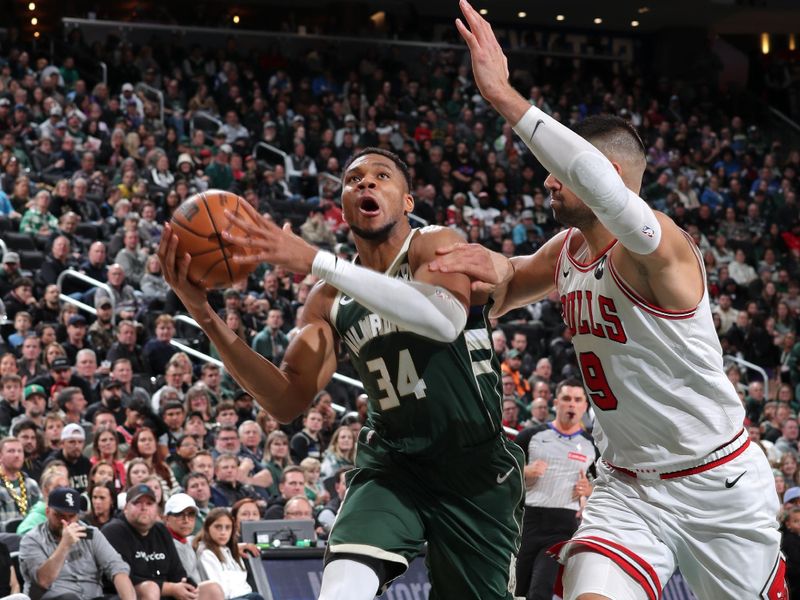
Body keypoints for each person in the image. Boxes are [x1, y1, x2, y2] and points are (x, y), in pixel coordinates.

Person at [427, 3, 785, 598]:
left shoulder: (662, 249)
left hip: (716, 483)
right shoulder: (567, 249)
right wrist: (478, 274)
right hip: (627, 488)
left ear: (605, 176)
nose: (546, 181)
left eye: (559, 173)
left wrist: (505, 97)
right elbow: (510, 282)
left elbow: (613, 201)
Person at [160, 141, 525, 600]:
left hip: (474, 467)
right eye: (354, 180)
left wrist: (316, 261)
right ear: (344, 206)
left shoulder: (435, 244)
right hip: (395, 466)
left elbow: (443, 320)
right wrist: (204, 315)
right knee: (341, 589)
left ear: (407, 202)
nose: (366, 182)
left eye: (381, 176)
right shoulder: (328, 299)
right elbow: (286, 400)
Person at [513, 379, 597, 600]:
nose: (572, 405)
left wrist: (589, 490)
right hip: (528, 520)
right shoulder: (530, 436)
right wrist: (524, 471)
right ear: (556, 402)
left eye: (578, 400)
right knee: (517, 591)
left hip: (563, 525)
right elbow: (501, 474)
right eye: (567, 399)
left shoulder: (591, 445)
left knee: (541, 589)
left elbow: (607, 487)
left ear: (585, 406)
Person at [19, 486, 136, 600]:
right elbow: (43, 581)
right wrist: (65, 545)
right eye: (60, 515)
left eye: (71, 516)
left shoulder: (92, 535)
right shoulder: (32, 540)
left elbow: (117, 568)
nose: (66, 522)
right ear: (48, 511)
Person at [102, 483, 207, 600]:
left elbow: (178, 572)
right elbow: (123, 579)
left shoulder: (161, 530)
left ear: (157, 509)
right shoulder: (114, 531)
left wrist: (186, 586)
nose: (144, 507)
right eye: (137, 503)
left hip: (165, 595)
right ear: (126, 508)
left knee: (211, 589)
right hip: (123, 595)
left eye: (149, 503)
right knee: (150, 589)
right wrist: (170, 588)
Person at [164, 493, 224, 600]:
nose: (186, 520)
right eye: (179, 514)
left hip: (197, 594)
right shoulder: (163, 544)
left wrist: (238, 546)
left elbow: (213, 541)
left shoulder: (190, 541)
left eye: (191, 514)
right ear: (167, 518)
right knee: (213, 589)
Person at [194, 507, 263, 600]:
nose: (223, 532)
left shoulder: (231, 551)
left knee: (257, 597)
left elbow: (244, 585)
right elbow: (220, 591)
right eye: (218, 527)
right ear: (207, 528)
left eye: (227, 528)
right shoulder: (206, 554)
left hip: (244, 595)